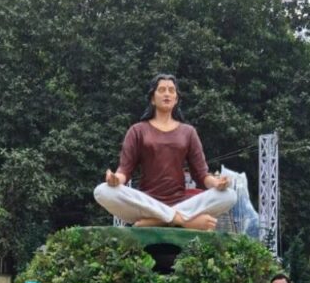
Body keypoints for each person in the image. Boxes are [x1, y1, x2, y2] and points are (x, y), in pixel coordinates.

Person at [94, 73, 237, 231]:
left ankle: (157, 220)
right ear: (152, 98)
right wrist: (115, 180)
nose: (167, 93)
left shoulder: (188, 132)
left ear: (176, 99)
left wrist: (216, 183)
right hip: (146, 202)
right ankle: (179, 219)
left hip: (183, 202)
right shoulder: (137, 130)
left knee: (229, 195)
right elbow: (125, 170)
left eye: (171, 90)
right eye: (161, 90)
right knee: (102, 191)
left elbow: (201, 175)